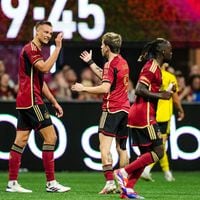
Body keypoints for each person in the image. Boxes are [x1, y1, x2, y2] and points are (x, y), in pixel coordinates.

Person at [6, 21, 71, 193]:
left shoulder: (36, 50)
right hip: (32, 100)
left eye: (50, 33)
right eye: (45, 32)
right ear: (37, 31)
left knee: (20, 141)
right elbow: (45, 68)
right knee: (51, 138)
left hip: (25, 101)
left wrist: (54, 102)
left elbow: (40, 83)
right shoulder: (31, 49)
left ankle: (12, 183)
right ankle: (51, 183)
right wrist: (57, 48)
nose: (48, 35)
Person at [115, 38, 174, 199]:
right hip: (144, 115)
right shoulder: (152, 67)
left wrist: (164, 92)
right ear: (162, 51)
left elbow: (148, 89)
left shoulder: (154, 67)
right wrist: (162, 95)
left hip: (140, 114)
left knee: (146, 155)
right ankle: (123, 172)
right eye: (169, 49)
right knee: (159, 151)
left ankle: (127, 191)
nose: (171, 52)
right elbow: (139, 90)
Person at [71, 32, 130, 194]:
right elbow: (107, 77)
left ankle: (110, 182)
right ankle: (124, 184)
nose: (101, 47)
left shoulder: (109, 64)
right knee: (122, 148)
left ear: (108, 47)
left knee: (104, 147)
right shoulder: (122, 62)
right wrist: (90, 62)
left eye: (103, 44)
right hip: (125, 109)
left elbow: (105, 87)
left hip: (111, 109)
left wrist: (83, 88)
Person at [141, 63, 185, 182]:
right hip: (164, 116)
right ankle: (147, 169)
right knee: (161, 147)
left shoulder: (150, 76)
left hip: (151, 114)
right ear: (165, 64)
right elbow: (175, 97)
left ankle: (167, 173)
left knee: (156, 146)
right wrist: (180, 110)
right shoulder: (170, 77)